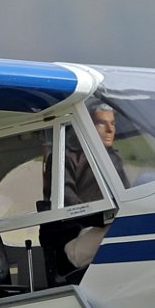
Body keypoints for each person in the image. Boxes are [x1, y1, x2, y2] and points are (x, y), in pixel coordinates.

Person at [41, 103, 129, 279]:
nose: (110, 130)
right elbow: (68, 203)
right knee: (131, 231)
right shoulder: (63, 158)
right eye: (102, 123)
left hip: (103, 229)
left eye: (113, 123)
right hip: (72, 238)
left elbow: (127, 200)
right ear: (85, 125)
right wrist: (105, 217)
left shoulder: (113, 161)